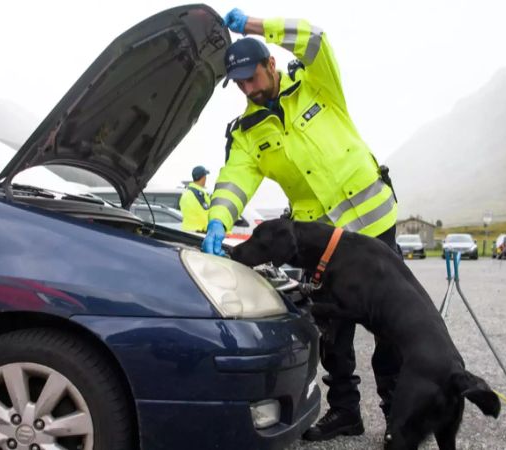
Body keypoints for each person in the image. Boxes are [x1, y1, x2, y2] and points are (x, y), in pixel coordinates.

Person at [203, 8, 402, 442]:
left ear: (270, 64)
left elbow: (314, 38)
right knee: (332, 333)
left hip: (375, 227)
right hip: (324, 244)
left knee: (390, 329)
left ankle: (398, 416)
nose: (248, 89)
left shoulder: (315, 83)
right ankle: (346, 412)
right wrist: (218, 219)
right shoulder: (248, 131)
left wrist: (252, 25)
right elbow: (235, 179)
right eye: (239, 84)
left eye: (252, 78)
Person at [179, 165, 212, 232]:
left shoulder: (186, 193)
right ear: (203, 177)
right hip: (198, 231)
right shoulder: (199, 194)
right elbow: (206, 214)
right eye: (205, 176)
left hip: (186, 230)